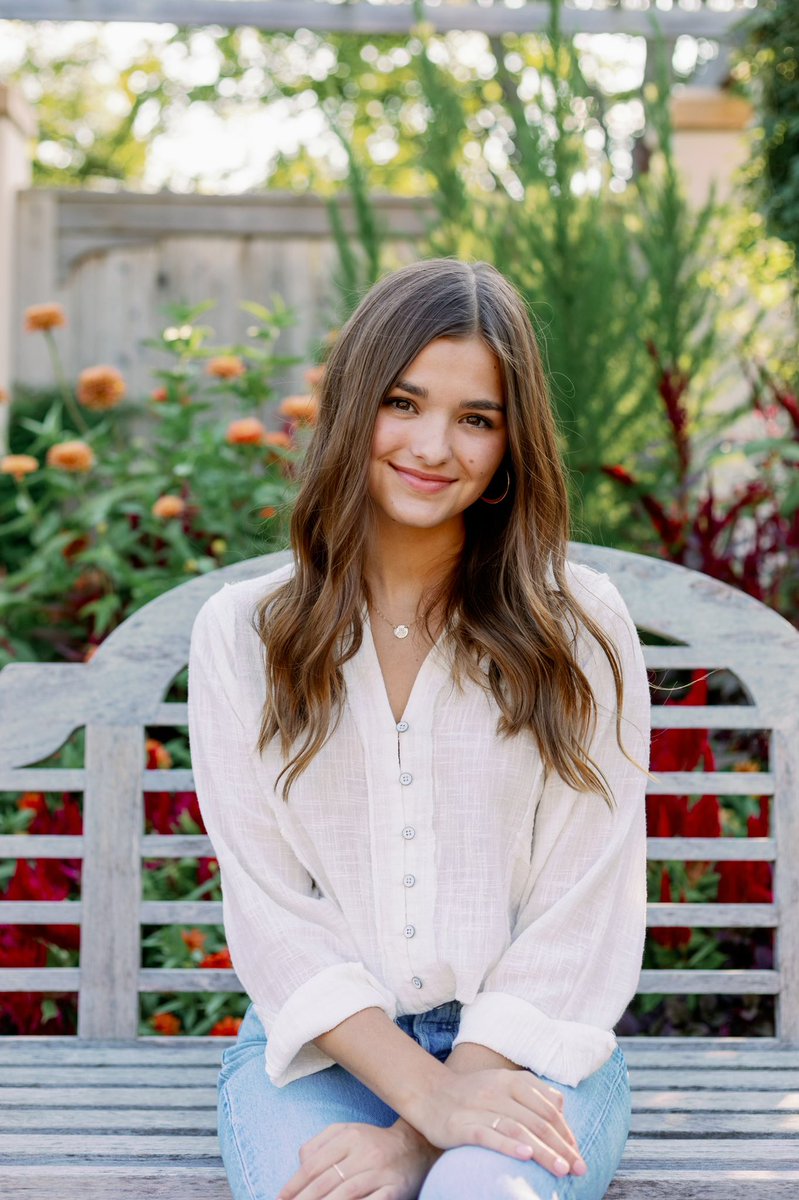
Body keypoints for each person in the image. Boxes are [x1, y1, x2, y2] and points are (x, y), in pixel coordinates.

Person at [187, 257, 651, 1200]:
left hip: (534, 1046)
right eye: (403, 402)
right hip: (321, 1057)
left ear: (509, 448)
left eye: (476, 418)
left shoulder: (581, 629)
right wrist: (426, 1107)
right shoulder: (242, 635)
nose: (434, 445)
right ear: (355, 405)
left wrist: (414, 1141)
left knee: (476, 1192)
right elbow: (276, 920)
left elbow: (578, 914)